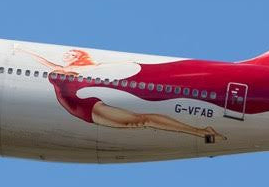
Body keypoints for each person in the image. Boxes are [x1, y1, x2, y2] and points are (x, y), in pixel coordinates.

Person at [22, 48, 225, 143]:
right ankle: (200, 131)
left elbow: (109, 70)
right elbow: (43, 61)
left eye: (73, 54)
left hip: (87, 107)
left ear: (81, 56)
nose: (69, 55)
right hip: (79, 110)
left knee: (140, 120)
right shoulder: (61, 67)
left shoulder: (86, 68)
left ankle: (200, 131)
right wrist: (22, 50)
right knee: (140, 120)